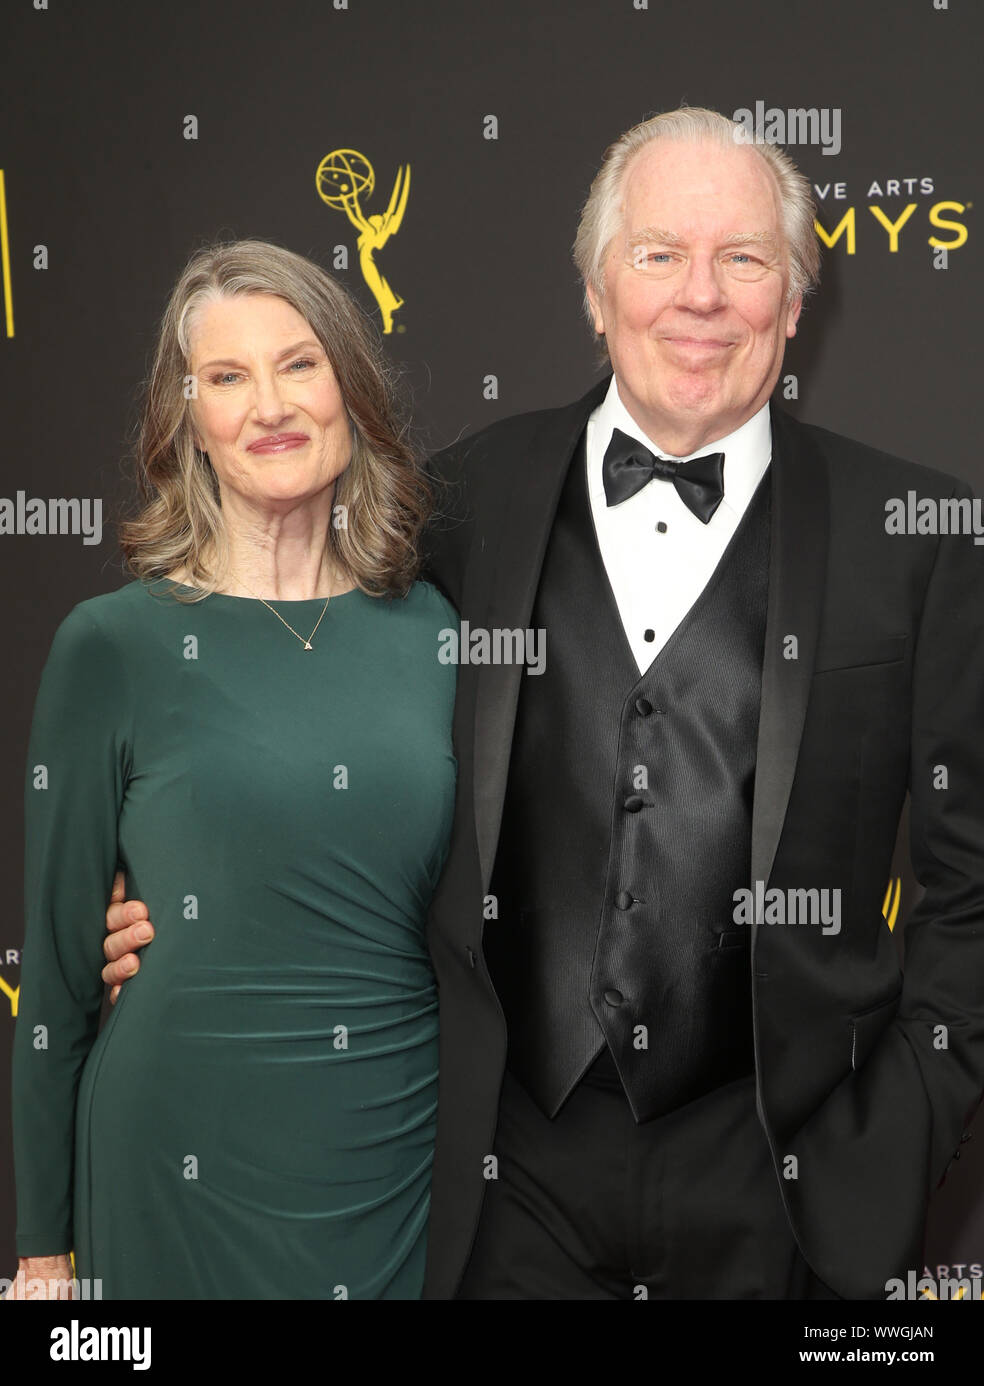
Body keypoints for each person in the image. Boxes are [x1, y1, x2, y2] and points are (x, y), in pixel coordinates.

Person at [103, 109, 984, 1301]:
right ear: (595, 287)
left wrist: (887, 1148)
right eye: (660, 254)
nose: (702, 296)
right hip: (500, 1177)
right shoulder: (459, 500)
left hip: (785, 1185)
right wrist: (180, 879)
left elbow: (967, 891)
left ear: (793, 303)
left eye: (744, 260)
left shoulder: (916, 539)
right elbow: (319, 723)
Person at [8, 239, 457, 1299]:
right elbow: (58, 982)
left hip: (393, 1153)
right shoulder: (111, 645)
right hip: (174, 1158)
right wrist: (39, 1257)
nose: (270, 406)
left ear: (350, 388)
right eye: (226, 377)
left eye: (299, 363)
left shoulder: (440, 633)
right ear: (187, 422)